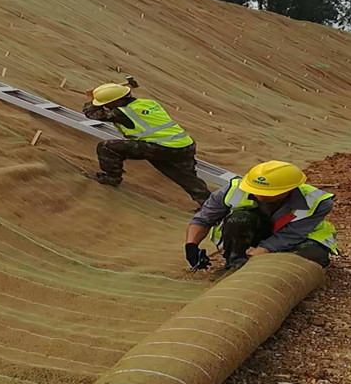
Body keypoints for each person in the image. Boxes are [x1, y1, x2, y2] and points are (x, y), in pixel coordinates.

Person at [184, 160, 338, 272]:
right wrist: (191, 246)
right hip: (255, 229)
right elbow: (203, 219)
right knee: (240, 218)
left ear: (289, 189)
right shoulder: (231, 190)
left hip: (295, 237)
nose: (259, 195)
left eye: (267, 193)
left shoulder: (318, 201)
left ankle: (274, 269)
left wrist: (264, 249)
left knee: (314, 256)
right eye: (255, 190)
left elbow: (293, 233)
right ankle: (235, 264)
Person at [82, 82, 210, 204]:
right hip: (184, 144)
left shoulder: (122, 112)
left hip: (161, 147)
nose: (105, 106)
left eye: (106, 104)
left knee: (107, 147)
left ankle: (112, 178)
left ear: (116, 101)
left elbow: (92, 114)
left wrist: (92, 100)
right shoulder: (148, 103)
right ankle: (207, 203)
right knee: (185, 176)